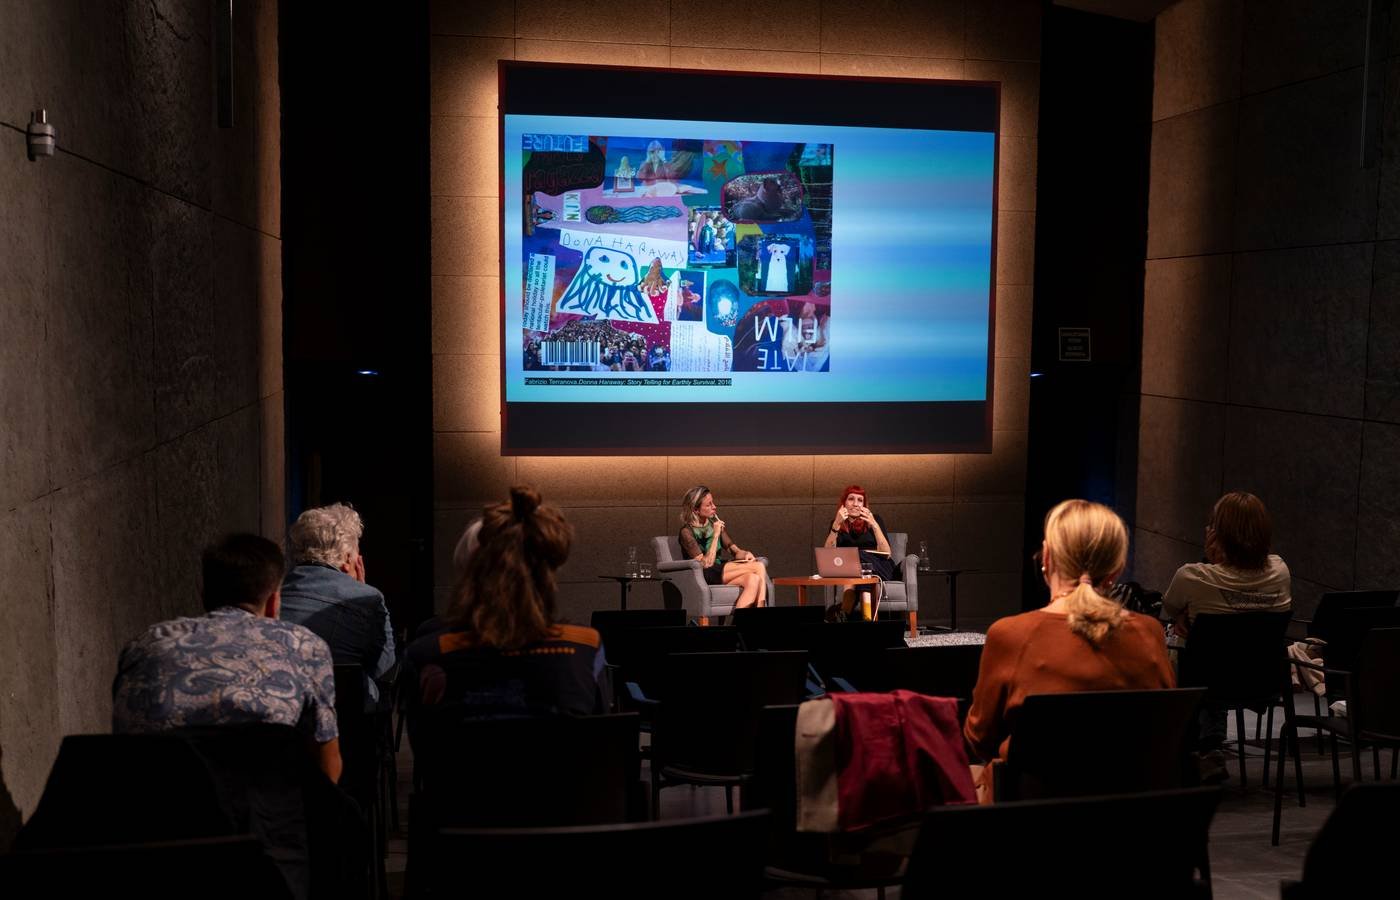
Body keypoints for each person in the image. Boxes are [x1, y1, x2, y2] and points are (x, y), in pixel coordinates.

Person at [963, 500, 1174, 799]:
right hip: (1130, 819)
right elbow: (1165, 733)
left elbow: (980, 740)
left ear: (1046, 557)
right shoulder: (1149, 633)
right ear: (1117, 568)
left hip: (1028, 818)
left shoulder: (1009, 635)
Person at [113, 533, 341, 783]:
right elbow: (327, 767)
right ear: (275, 601)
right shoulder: (305, 646)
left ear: (204, 594)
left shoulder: (145, 644)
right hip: (262, 815)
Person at [404, 486, 608, 718]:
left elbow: (426, 749)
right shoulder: (584, 647)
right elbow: (600, 740)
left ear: (467, 572)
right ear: (549, 571)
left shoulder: (428, 654)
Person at [1161, 491, 1291, 780]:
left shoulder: (1193, 576)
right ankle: (1211, 745)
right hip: (1258, 679)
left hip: (1200, 679)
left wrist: (1207, 562)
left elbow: (1169, 607)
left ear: (1217, 535)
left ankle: (1196, 748)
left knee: (1190, 650)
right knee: (1217, 657)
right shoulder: (1281, 571)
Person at [280, 503, 395, 709]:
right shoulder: (369, 598)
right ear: (348, 558)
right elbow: (382, 665)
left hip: (285, 709)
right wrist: (360, 592)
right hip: (347, 718)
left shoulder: (273, 594)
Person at [677, 485, 768, 609]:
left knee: (754, 580)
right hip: (704, 574)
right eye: (709, 505)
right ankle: (762, 609)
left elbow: (733, 550)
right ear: (695, 510)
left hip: (720, 571)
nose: (714, 507)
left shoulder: (713, 524)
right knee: (759, 566)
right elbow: (706, 564)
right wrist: (715, 536)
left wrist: (745, 553)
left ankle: (738, 626)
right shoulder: (686, 532)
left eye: (713, 503)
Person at [824, 484, 896, 616]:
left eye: (860, 500)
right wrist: (836, 525)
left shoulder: (876, 520)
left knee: (857, 556)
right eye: (851, 499)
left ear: (864, 505)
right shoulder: (836, 523)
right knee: (854, 571)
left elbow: (886, 553)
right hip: (853, 571)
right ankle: (861, 619)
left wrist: (874, 524)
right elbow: (828, 554)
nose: (856, 504)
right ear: (844, 503)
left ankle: (844, 612)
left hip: (880, 566)